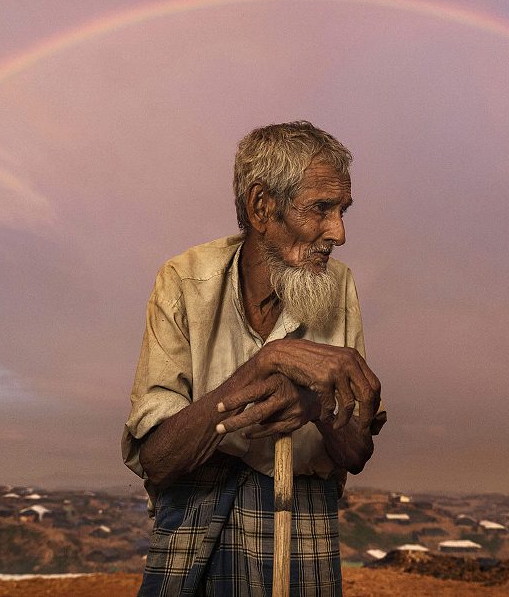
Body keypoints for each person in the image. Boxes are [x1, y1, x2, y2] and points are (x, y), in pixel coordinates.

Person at [123, 121, 386, 595]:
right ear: (262, 206)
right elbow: (158, 461)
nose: (340, 232)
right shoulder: (183, 281)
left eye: (343, 210)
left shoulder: (339, 284)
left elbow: (355, 452)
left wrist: (312, 405)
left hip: (301, 515)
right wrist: (269, 362)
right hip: (194, 516)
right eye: (321, 209)